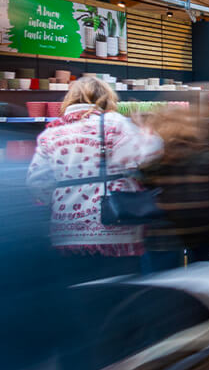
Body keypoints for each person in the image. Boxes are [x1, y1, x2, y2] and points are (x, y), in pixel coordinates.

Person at [27, 76, 160, 274]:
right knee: (118, 294)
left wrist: (58, 198)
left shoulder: (50, 134)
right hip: (115, 228)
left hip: (67, 231)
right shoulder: (114, 124)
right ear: (106, 98)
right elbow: (151, 151)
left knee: (76, 295)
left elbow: (36, 181)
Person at [138, 107, 209, 271]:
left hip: (163, 236)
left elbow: (141, 187)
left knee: (159, 286)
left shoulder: (155, 160)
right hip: (202, 233)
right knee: (201, 286)